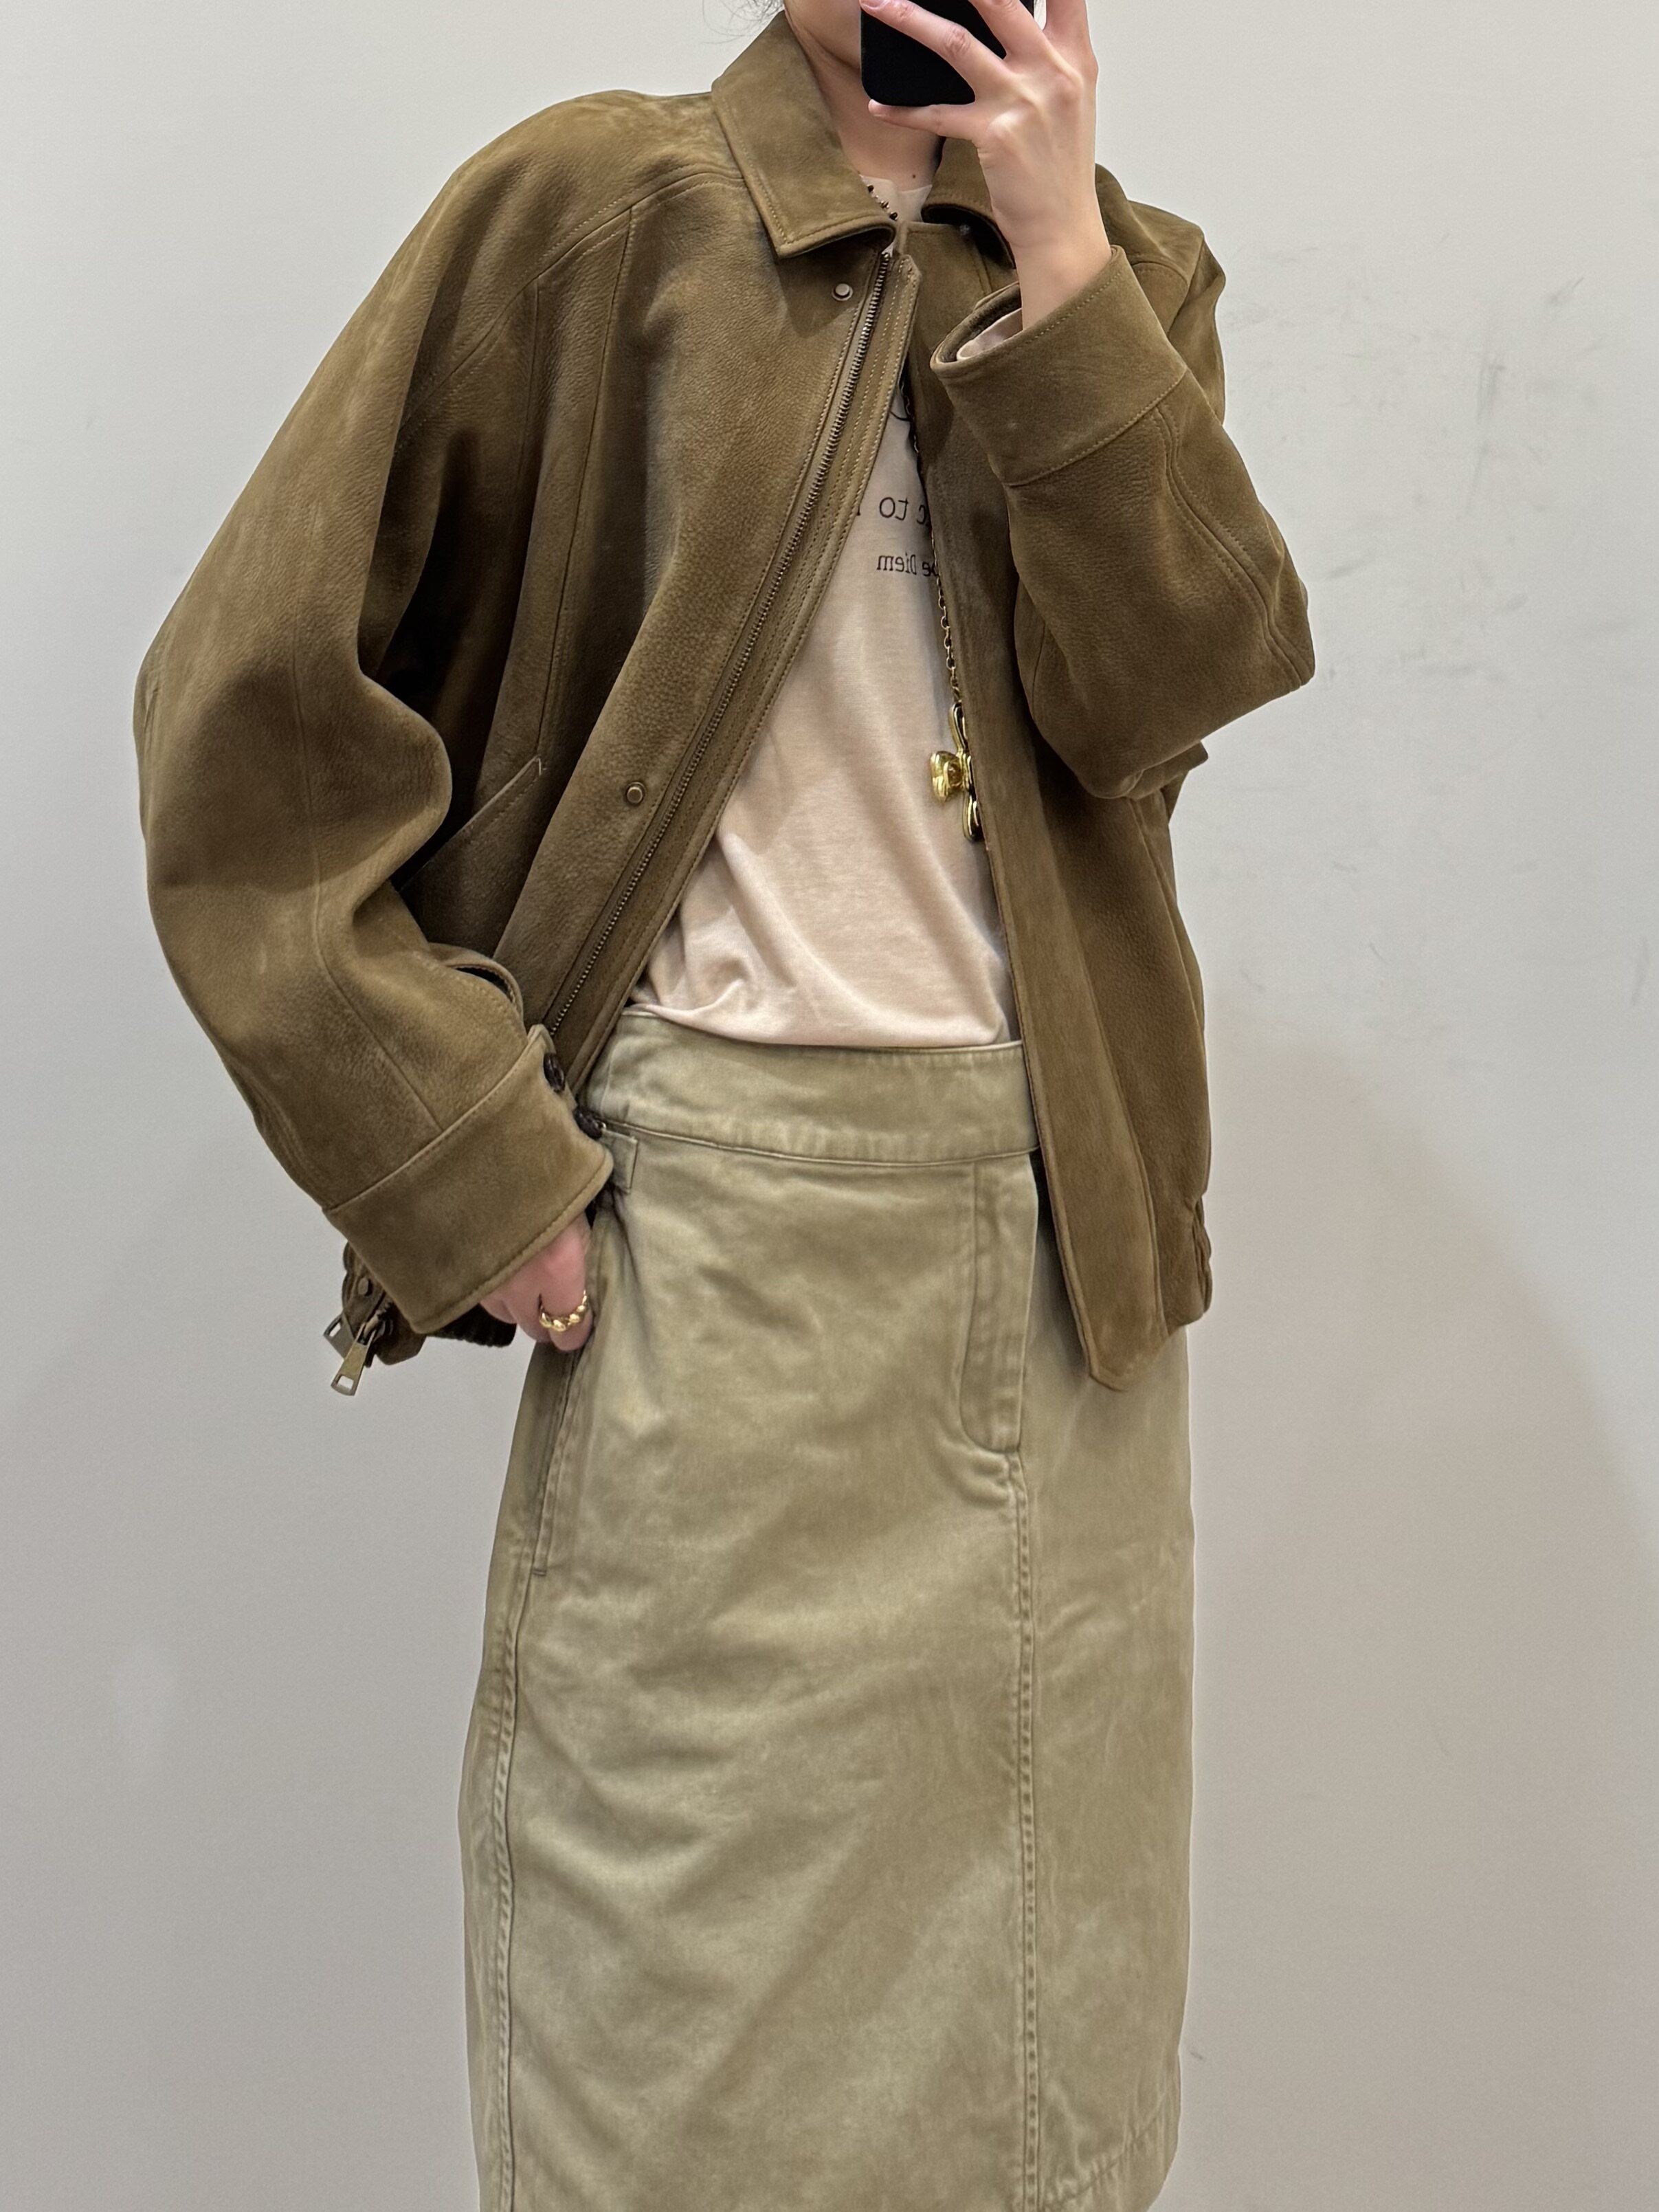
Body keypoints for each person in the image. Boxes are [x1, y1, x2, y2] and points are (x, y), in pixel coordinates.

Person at [133, 0, 1314, 2204]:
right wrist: (465, 1160)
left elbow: (1161, 704)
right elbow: (245, 723)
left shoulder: (1127, 275)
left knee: (1044, 2079)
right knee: (673, 2050)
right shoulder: (600, 213)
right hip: (722, 1273)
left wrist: (1060, 257)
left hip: (1061, 1296)